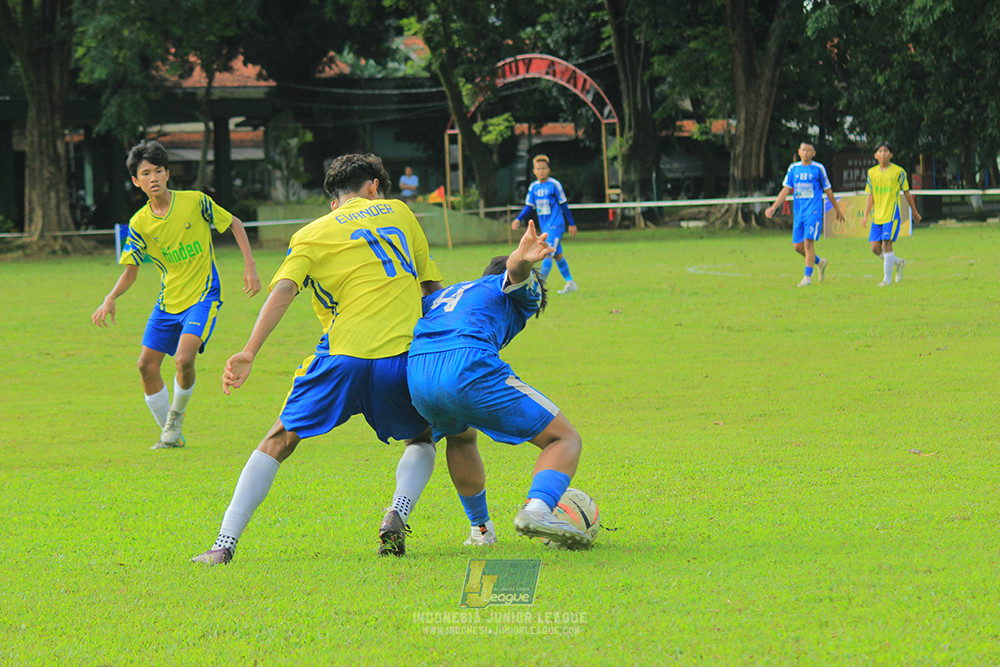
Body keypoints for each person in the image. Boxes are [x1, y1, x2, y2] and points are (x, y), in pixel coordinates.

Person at [192, 153, 452, 565]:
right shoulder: (400, 212)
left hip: (341, 357)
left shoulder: (312, 232)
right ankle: (396, 512)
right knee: (421, 439)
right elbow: (433, 288)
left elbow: (283, 292)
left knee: (279, 439)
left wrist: (248, 351)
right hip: (399, 359)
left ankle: (224, 544)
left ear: (335, 200)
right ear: (372, 189)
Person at [407, 220, 592, 550]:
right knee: (564, 439)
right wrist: (523, 259)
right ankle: (538, 510)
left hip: (417, 372)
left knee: (460, 436)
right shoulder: (513, 291)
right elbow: (516, 272)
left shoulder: (449, 294)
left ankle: (481, 530)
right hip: (466, 365)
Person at [91, 140, 261, 449]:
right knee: (145, 365)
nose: (153, 177)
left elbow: (234, 223)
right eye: (145, 173)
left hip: (202, 297)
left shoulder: (196, 202)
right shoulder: (140, 223)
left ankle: (176, 417)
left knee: (184, 359)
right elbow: (131, 270)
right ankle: (170, 435)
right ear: (135, 181)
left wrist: (250, 266)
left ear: (168, 174)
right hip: (168, 302)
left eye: (158, 170)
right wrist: (110, 297)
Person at [765, 141, 846, 287]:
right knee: (797, 247)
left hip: (813, 212)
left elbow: (828, 191)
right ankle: (820, 262)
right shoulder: (793, 168)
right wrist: (774, 207)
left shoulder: (818, 168)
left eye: (809, 151)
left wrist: (837, 210)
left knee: (808, 243)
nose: (806, 153)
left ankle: (807, 278)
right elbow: (785, 190)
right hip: (799, 213)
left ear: (814, 153)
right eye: (803, 150)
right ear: (799, 151)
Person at [511, 155, 578, 294]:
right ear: (534, 171)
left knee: (546, 253)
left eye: (544, 168)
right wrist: (518, 219)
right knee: (557, 255)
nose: (541, 171)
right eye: (538, 169)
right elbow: (529, 207)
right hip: (545, 225)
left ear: (548, 170)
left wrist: (571, 223)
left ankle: (537, 288)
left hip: (556, 224)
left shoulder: (554, 185)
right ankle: (571, 283)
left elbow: (564, 205)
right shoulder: (533, 187)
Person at [862, 141, 922, 287]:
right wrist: (865, 215)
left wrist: (914, 211)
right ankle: (898, 263)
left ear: (891, 154)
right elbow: (871, 195)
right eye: (880, 151)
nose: (883, 153)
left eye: (886, 151)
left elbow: (907, 193)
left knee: (887, 244)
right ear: (876, 155)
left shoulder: (899, 172)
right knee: (875, 248)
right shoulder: (872, 173)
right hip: (878, 216)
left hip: (892, 215)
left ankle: (887, 279)